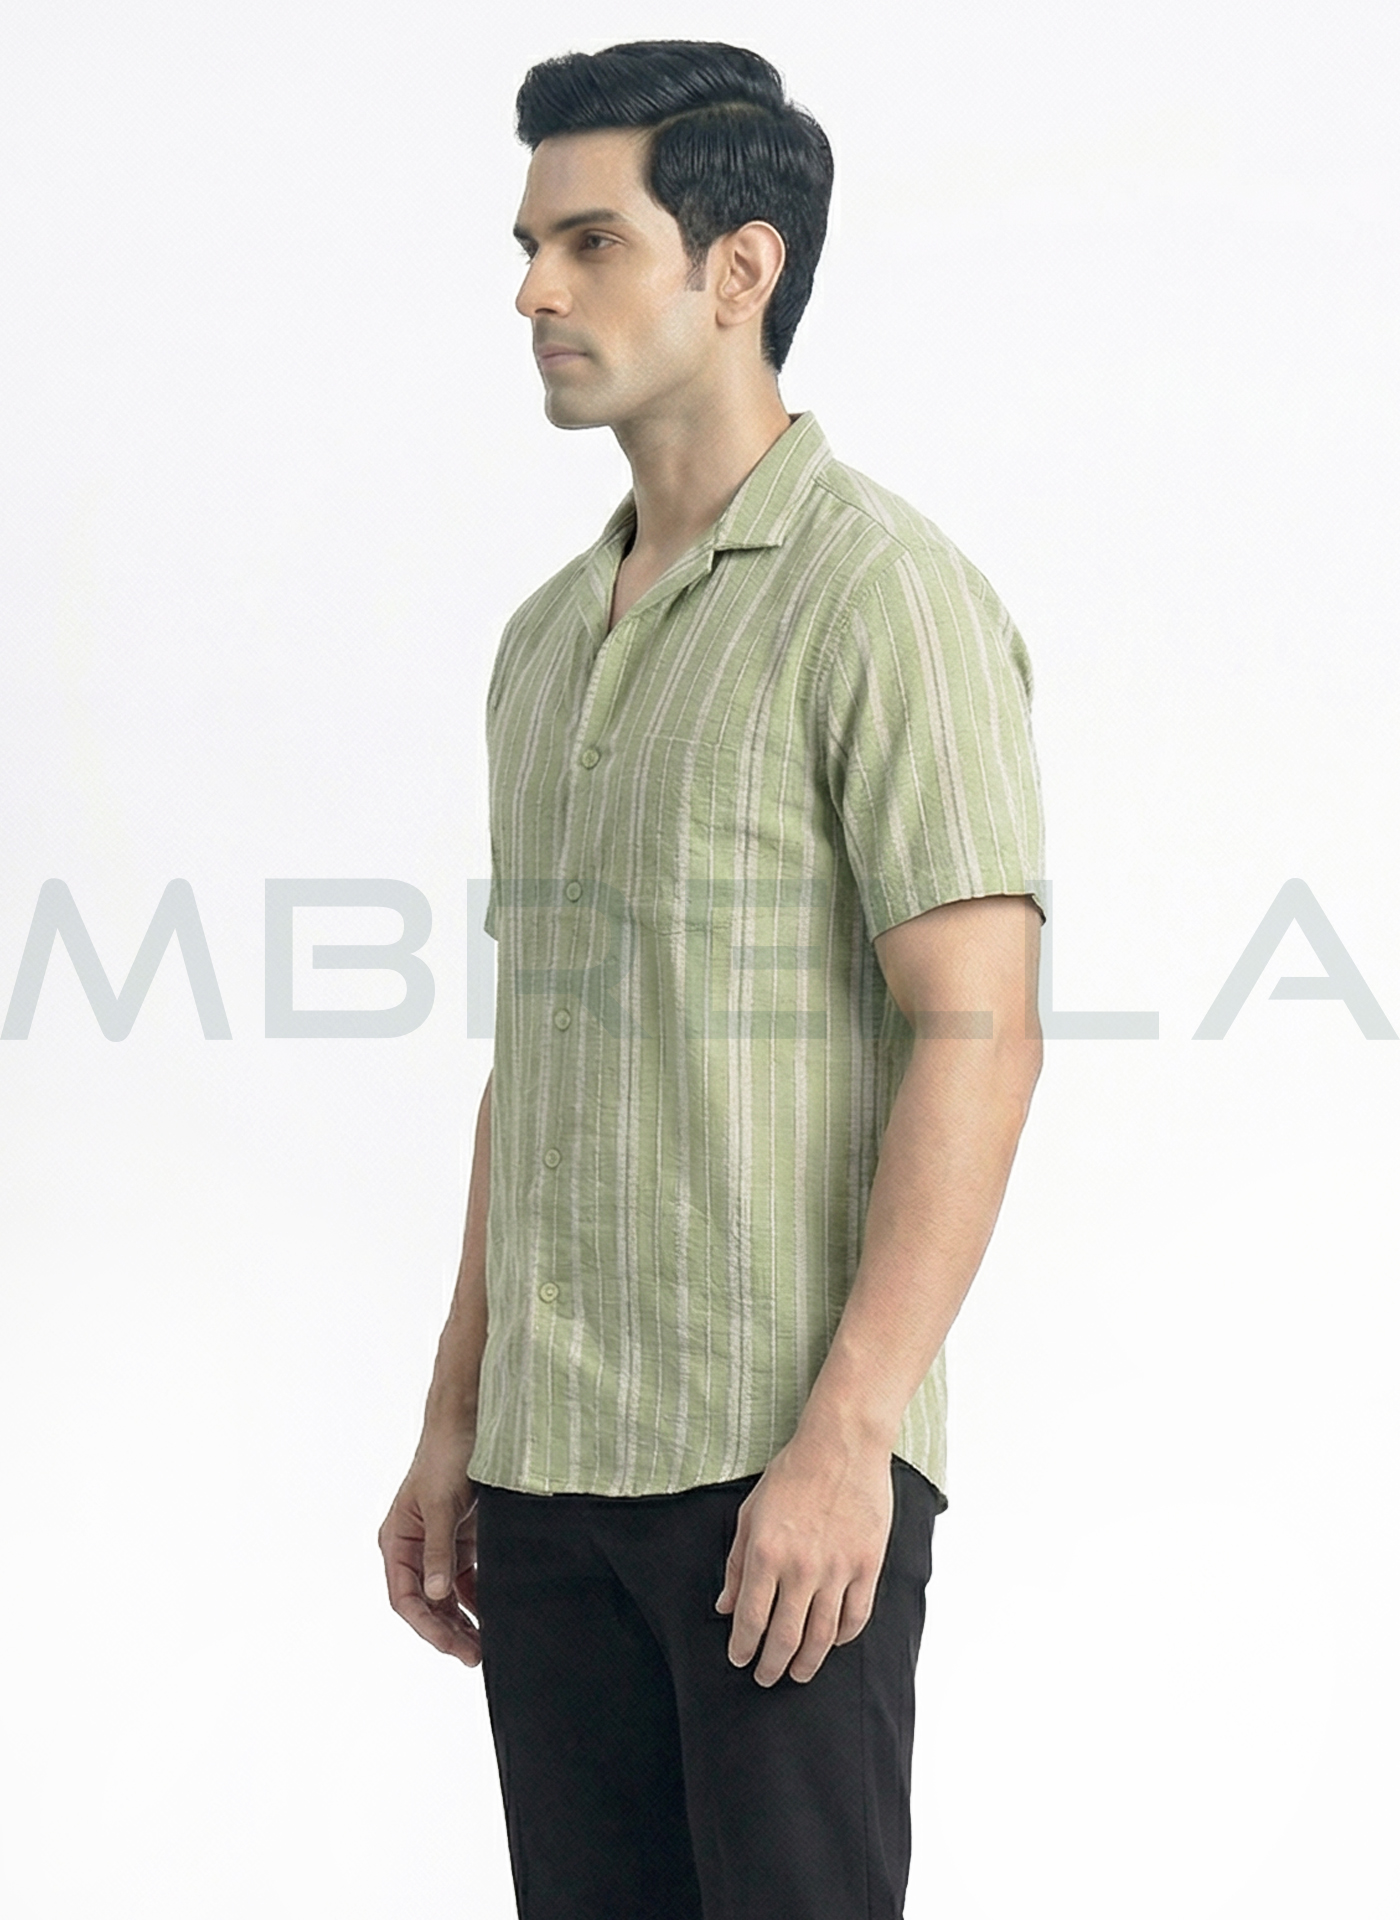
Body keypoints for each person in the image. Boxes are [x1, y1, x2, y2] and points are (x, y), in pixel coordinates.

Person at [379, 39, 1046, 1920]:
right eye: (529, 246)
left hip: (776, 1473)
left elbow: (981, 1029)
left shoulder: (880, 593)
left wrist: (850, 1440)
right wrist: (456, 1415)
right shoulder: (543, 642)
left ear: (740, 268)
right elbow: (537, 1061)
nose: (533, 291)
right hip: (550, 1477)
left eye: (590, 241)